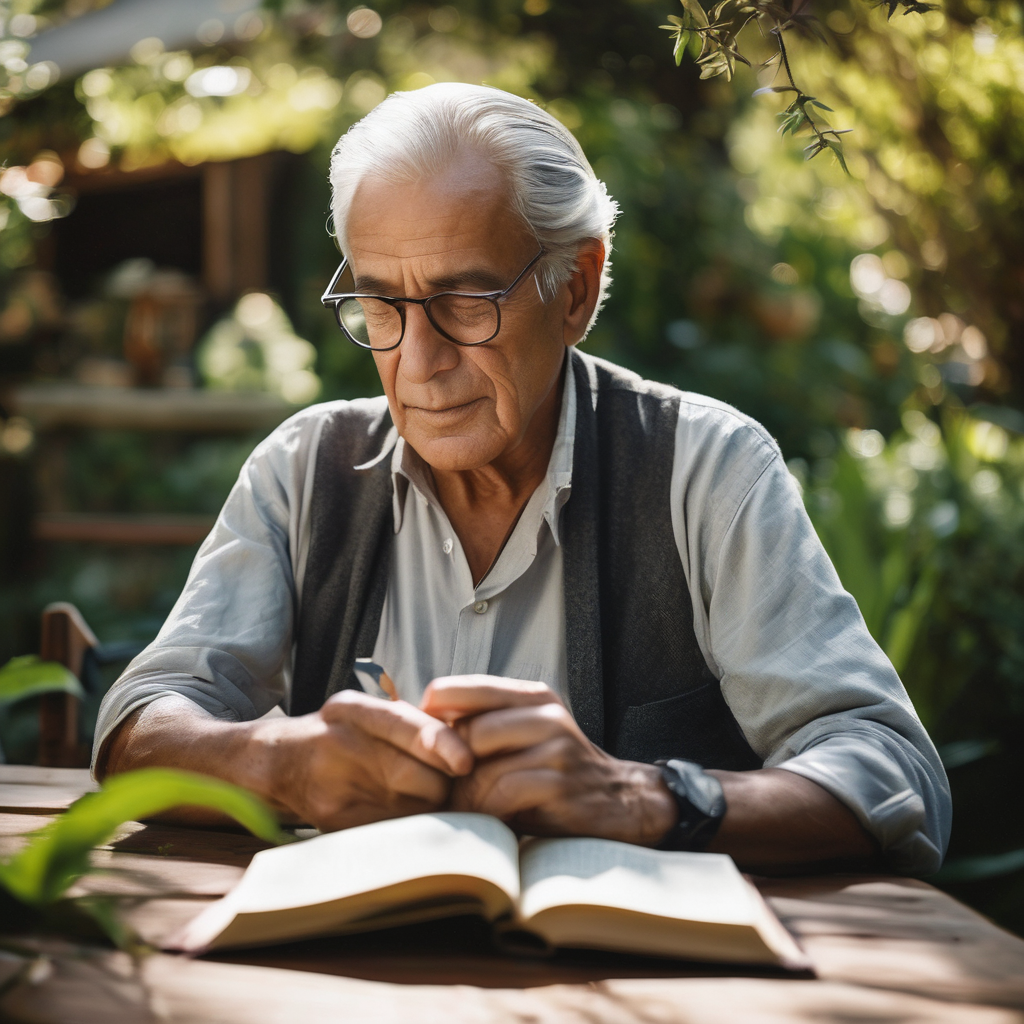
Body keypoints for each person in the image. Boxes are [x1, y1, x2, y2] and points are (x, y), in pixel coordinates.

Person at [94, 83, 950, 874]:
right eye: (382, 304)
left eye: (466, 303)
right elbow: (140, 721)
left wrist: (638, 796)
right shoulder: (304, 471)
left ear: (574, 288)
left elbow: (891, 771)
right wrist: (278, 763)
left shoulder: (705, 470)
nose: (418, 364)